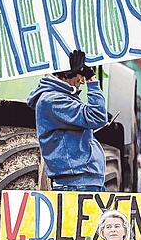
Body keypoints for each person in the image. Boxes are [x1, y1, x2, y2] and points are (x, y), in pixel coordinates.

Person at [27, 50, 108, 192]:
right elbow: (97, 116)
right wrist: (92, 81)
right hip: (77, 184)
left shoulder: (61, 97)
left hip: (82, 182)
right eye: (81, 74)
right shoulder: (53, 100)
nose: (82, 80)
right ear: (67, 73)